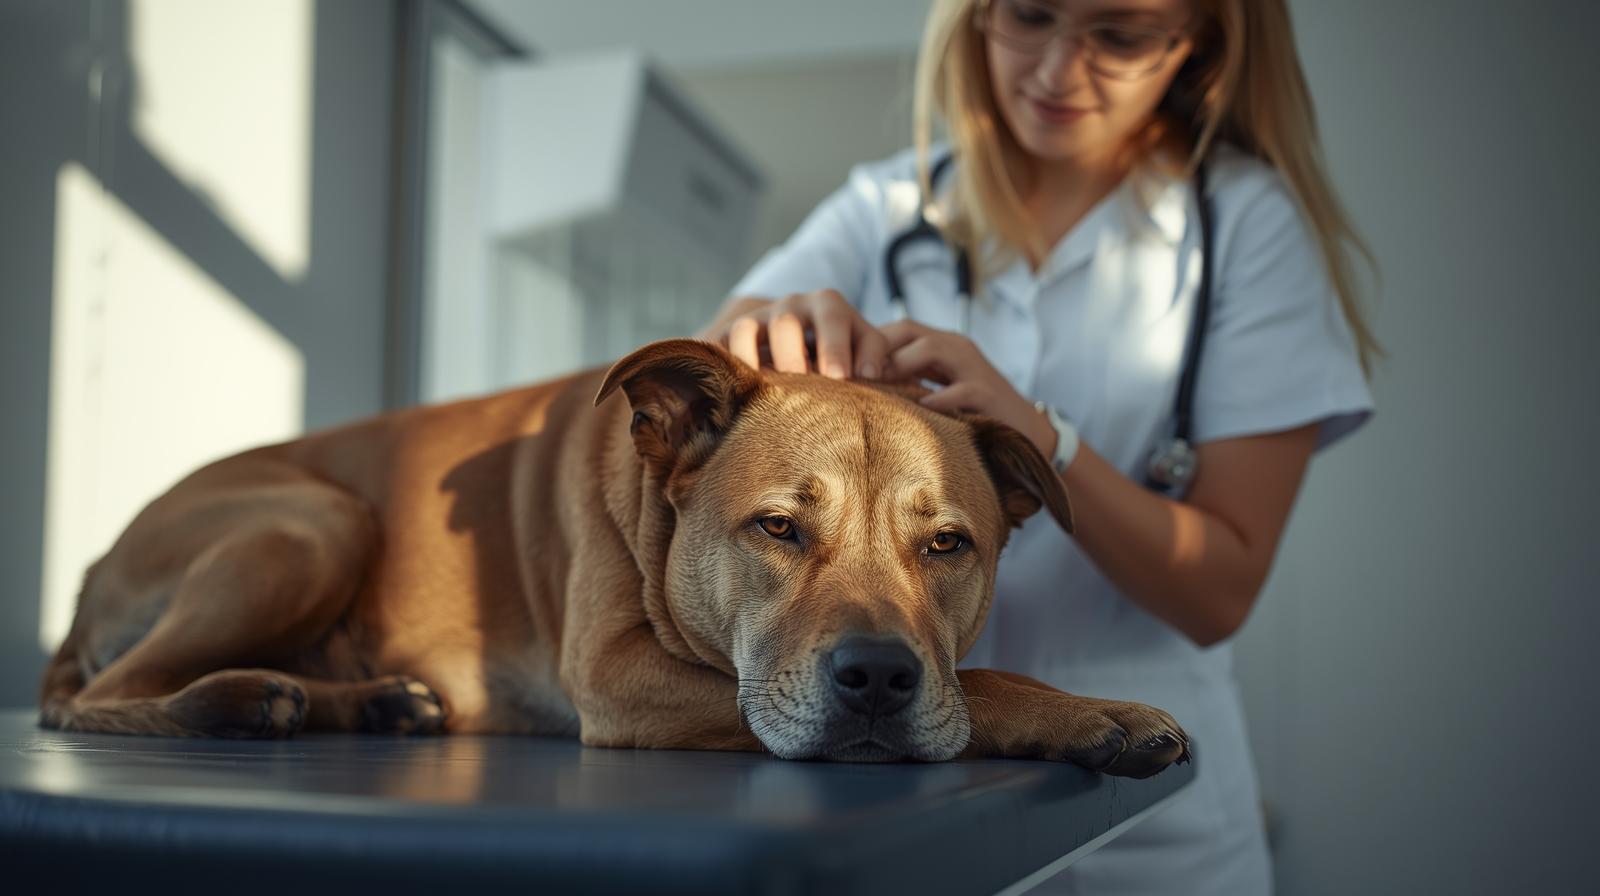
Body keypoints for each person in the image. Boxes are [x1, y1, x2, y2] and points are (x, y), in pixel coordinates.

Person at [699, 0, 1378, 892]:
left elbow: (1219, 591)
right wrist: (770, 324)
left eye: (1121, 34)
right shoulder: (888, 205)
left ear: (1200, 41)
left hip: (1140, 811)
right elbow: (709, 372)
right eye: (1030, 14)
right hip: (899, 781)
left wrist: (1044, 439)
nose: (1060, 69)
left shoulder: (1246, 229)